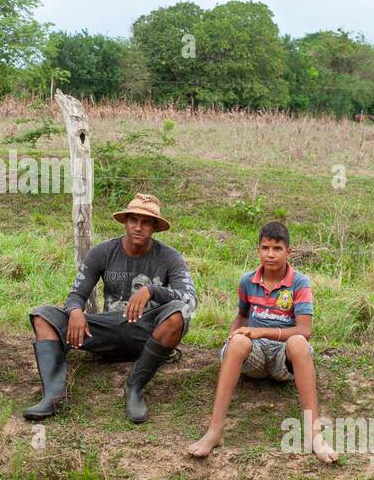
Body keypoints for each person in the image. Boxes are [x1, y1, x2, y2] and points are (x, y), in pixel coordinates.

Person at [26, 193, 195, 423]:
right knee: (43, 316)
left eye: (146, 222)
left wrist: (152, 291)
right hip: (107, 331)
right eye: (133, 220)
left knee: (178, 312)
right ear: (125, 222)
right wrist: (75, 310)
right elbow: (77, 293)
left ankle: (135, 387)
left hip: (145, 335)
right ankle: (54, 395)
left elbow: (190, 299)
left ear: (155, 227)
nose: (138, 227)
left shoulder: (170, 257)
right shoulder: (103, 252)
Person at [187, 222, 337, 463]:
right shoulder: (247, 281)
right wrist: (234, 334)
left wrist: (262, 333)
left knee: (298, 342)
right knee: (237, 342)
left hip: (283, 359)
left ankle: (314, 434)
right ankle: (215, 431)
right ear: (258, 250)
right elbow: (243, 315)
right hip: (254, 358)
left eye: (277, 248)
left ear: (289, 252)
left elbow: (305, 330)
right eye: (265, 247)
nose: (270, 254)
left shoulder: (299, 283)